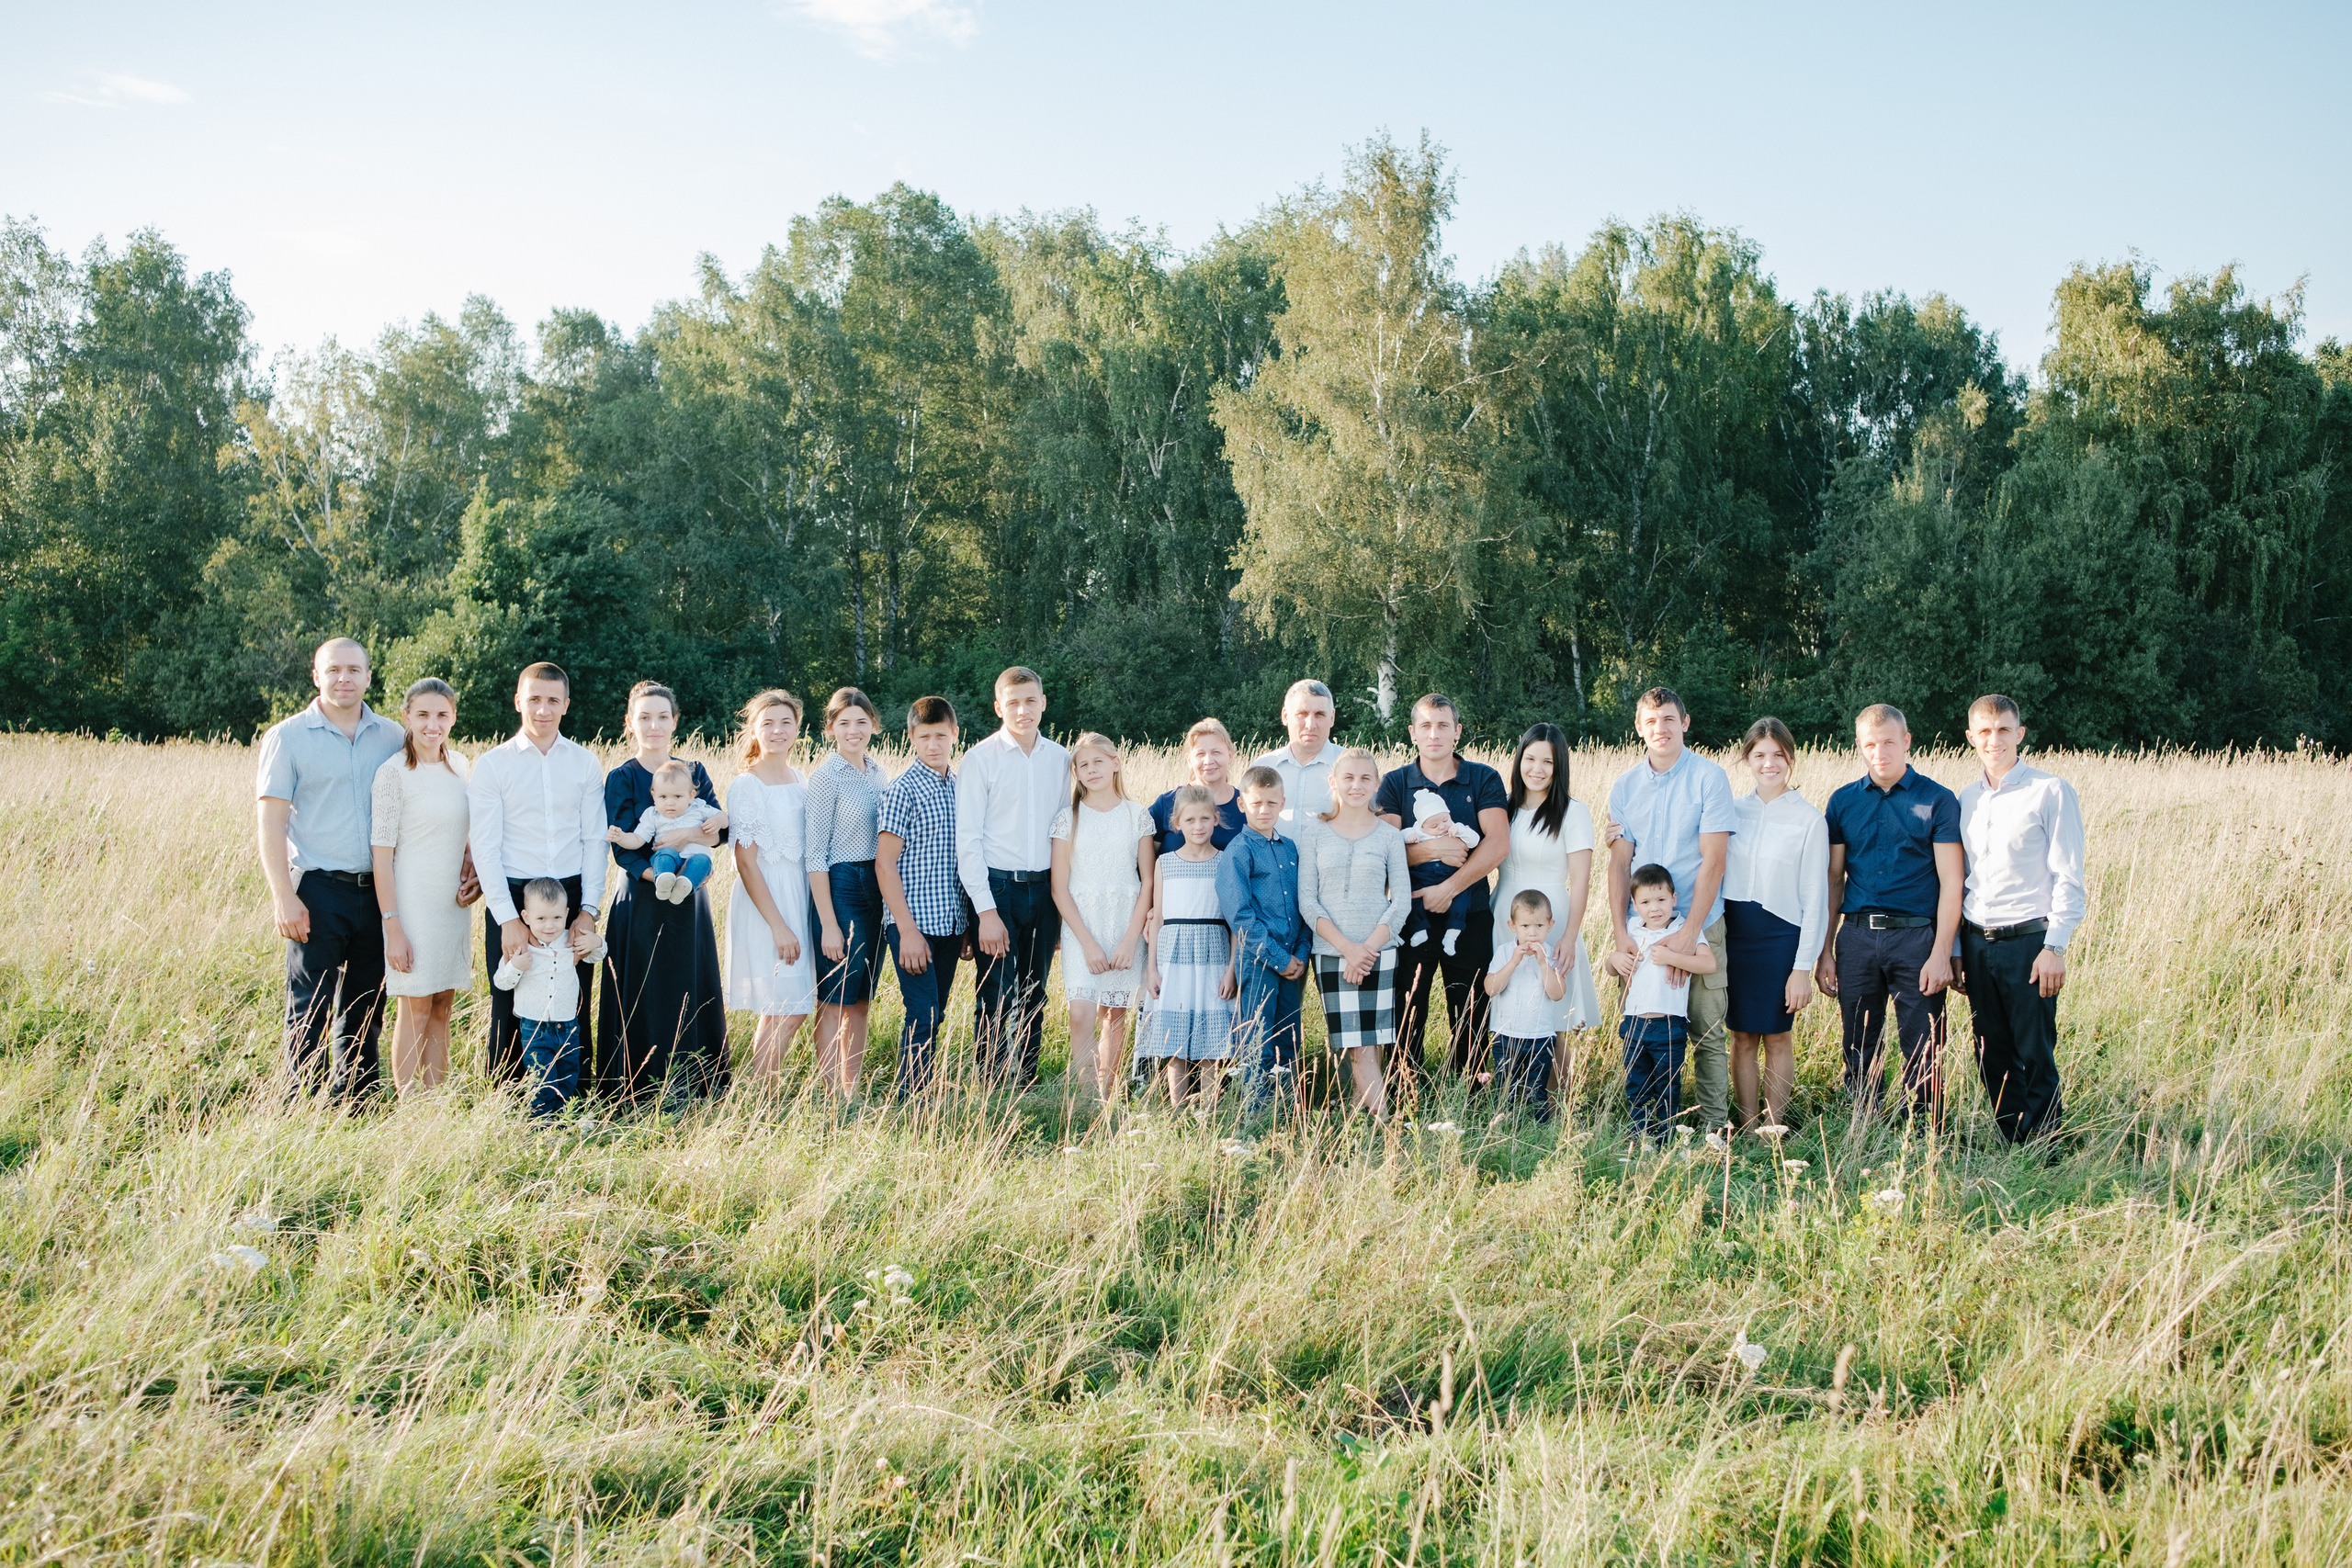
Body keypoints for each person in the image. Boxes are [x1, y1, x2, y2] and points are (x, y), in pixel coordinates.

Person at [255, 637, 405, 1101]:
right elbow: (271, 819)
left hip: (380, 890)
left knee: (366, 1005)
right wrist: (283, 895)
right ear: (316, 676)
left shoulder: (393, 735)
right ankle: (301, 1105)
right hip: (318, 889)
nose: (344, 678)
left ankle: (355, 1101)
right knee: (310, 1006)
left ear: (368, 676)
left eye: (354, 670)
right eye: (334, 669)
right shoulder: (288, 737)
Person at [1815, 703, 1963, 1126]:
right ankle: (1864, 1127)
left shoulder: (1937, 800)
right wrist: (1825, 950)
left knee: (1923, 1042)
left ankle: (1926, 1135)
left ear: (1907, 742)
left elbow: (1953, 882)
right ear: (1859, 746)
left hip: (1915, 938)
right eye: (1869, 744)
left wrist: (1941, 953)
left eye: (1888, 743)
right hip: (1858, 937)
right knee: (1859, 1041)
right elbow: (1833, 880)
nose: (1879, 752)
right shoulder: (1843, 802)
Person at [1602, 687, 1734, 1144]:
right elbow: (1620, 863)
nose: (1661, 728)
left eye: (1669, 719)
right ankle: (1650, 1127)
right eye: (1651, 721)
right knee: (1645, 1033)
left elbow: (1714, 861)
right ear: (1639, 727)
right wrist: (1621, 934)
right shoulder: (1625, 786)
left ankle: (1716, 1128)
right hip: (1640, 931)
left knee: (1706, 1031)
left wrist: (1687, 935)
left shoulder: (1709, 778)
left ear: (1685, 722)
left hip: (1699, 924)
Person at [1955, 694, 2085, 1145]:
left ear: (2020, 734)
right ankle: (2013, 1142)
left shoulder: (2049, 791)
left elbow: (2069, 876)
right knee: (1991, 1051)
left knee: (2034, 1051)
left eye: (2004, 730)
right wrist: (1956, 949)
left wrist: (2056, 947)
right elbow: (1961, 880)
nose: (1995, 740)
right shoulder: (1965, 799)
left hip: (2029, 941)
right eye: (1985, 732)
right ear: (1971, 738)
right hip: (1975, 941)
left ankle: (2046, 1149)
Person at [469, 662, 606, 1086]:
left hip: (570, 893)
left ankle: (572, 1096)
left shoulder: (584, 763)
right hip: (514, 895)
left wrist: (588, 910)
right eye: (534, 699)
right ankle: (509, 1102)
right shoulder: (493, 765)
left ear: (565, 704)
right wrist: (507, 918)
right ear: (518, 701)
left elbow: (594, 841)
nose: (542, 710)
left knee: (571, 998)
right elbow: (486, 847)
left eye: (552, 700)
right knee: (509, 997)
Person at [594, 681, 728, 1107]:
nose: (654, 725)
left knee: (687, 985)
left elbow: (718, 831)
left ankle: (692, 1088)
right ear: (630, 723)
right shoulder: (621, 777)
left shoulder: (695, 771)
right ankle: (634, 1092)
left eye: (663, 716)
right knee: (641, 990)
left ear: (675, 721)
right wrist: (656, 872)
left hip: (689, 898)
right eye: (645, 716)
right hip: (640, 899)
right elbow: (620, 845)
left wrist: (685, 836)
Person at [1374, 694, 1510, 1093]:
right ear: (1413, 733)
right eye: (1426, 726)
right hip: (1409, 915)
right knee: (1406, 1010)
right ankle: (1405, 1096)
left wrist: (1449, 888)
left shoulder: (1482, 777)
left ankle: (1469, 1097)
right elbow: (1385, 849)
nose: (1435, 734)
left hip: (1468, 914)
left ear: (1457, 732)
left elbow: (1498, 843)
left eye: (1443, 725)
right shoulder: (1394, 783)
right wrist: (1434, 849)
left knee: (1470, 1011)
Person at [956, 666, 1071, 1087]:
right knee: (994, 995)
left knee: (1034, 992)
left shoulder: (1060, 759)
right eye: (1014, 703)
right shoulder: (980, 759)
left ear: (1042, 702)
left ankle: (1025, 1079)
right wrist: (985, 912)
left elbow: (1064, 833)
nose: (1023, 710)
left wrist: (1061, 905)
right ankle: (989, 1083)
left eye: (1030, 701)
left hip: (1044, 891)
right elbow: (967, 840)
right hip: (997, 889)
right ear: (999, 707)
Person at [368, 676, 479, 1096]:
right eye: (423, 715)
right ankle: (408, 1107)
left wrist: (473, 869)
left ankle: (433, 1107)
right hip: (411, 904)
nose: (433, 724)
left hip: (451, 905)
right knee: (413, 1007)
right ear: (407, 717)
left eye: (442, 715)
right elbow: (382, 855)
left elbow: (462, 834)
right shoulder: (393, 774)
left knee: (442, 1007)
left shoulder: (462, 767)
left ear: (452, 718)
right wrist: (393, 925)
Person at [1722, 716, 1829, 1134]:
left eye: (1778, 755)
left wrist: (1802, 967)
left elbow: (1816, 900)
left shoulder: (1808, 820)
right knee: (1742, 1036)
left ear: (1791, 758)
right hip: (1735, 935)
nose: (1769, 763)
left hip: (1781, 939)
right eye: (1759, 755)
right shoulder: (1731, 810)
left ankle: (1773, 1132)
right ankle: (1748, 1128)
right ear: (1747, 758)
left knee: (1777, 1036)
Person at [1490, 724, 1601, 1091]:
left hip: (1554, 920)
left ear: (1559, 767)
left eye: (1547, 762)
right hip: (1505, 917)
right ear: (1519, 759)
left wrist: (1568, 937)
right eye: (1530, 758)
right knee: (1510, 1006)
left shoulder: (1572, 812)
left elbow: (1581, 880)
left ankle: (1557, 1105)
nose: (1536, 769)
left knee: (1554, 1015)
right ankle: (1512, 1099)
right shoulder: (1502, 807)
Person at [1047, 732, 1156, 1103]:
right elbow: (1060, 888)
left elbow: (1147, 882)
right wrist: (1087, 942)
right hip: (1083, 928)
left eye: (1098, 762)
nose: (1091, 770)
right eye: (1083, 765)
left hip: (1124, 925)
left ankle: (1107, 1097)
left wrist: (1129, 940)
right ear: (1075, 772)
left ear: (1115, 762)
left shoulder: (1137, 815)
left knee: (1115, 1015)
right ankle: (1085, 1097)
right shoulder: (1068, 819)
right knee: (1081, 1013)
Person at [1294, 747, 1401, 1116]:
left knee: (1370, 1046)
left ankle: (1372, 1125)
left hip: (1379, 952)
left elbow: (1401, 902)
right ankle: (1382, 1129)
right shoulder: (1315, 835)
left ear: (1377, 784)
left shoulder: (1389, 836)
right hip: (1331, 954)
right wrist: (1347, 950)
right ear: (1333, 782)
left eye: (1365, 778)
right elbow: (1308, 902)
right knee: (1355, 1046)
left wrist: (1366, 950)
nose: (1356, 786)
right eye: (1348, 778)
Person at [877, 696, 971, 1100]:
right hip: (912, 924)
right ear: (911, 738)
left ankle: (923, 1091)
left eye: (940, 735)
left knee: (937, 1012)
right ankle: (909, 1099)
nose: (933, 744)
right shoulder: (903, 790)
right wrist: (907, 931)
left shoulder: (961, 787)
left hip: (950, 922)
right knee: (923, 1012)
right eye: (923, 736)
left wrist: (966, 924)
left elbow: (963, 859)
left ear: (954, 734)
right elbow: (885, 864)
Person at [723, 690, 817, 1092]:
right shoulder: (747, 785)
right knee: (788, 1005)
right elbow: (746, 862)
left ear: (798, 728)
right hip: (768, 902)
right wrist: (778, 925)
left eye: (785, 723)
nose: (777, 731)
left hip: (800, 893)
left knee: (788, 1005)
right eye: (768, 723)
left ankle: (762, 1097)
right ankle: (759, 1094)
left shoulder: (800, 779)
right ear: (755, 730)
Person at [804, 687, 891, 1100]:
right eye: (844, 723)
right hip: (841, 886)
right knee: (835, 997)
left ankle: (850, 1090)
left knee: (860, 997)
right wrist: (828, 925)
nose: (854, 730)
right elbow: (815, 857)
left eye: (861, 722)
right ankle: (827, 1094)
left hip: (878, 887)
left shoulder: (878, 772)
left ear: (873, 725)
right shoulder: (825, 778)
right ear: (830, 729)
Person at [1217, 766, 1312, 1113]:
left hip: (1293, 959)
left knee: (1288, 1035)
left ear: (1282, 803)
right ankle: (1255, 1112)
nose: (1264, 809)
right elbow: (1240, 916)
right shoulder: (1238, 851)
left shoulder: (1291, 849)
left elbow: (1304, 903)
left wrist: (1300, 953)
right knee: (1256, 1036)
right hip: (1259, 960)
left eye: (1272, 802)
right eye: (1256, 802)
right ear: (1242, 804)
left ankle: (1285, 1110)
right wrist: (1279, 957)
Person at [1137, 784, 1238, 1109]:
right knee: (1174, 1038)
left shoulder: (1226, 862)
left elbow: (1235, 922)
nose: (1199, 826)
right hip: (1172, 953)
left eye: (1205, 819)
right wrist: (1151, 968)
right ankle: (1177, 1108)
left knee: (1211, 1037)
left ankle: (1209, 1107)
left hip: (1213, 951)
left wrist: (1232, 969)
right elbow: (1159, 918)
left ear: (1216, 820)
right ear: (1178, 823)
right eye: (1191, 820)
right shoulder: (1165, 862)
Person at [1619, 863, 1717, 1143]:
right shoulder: (1632, 928)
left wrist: (1671, 957)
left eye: (1661, 900)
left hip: (1669, 1024)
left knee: (1667, 1085)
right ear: (1635, 905)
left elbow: (1709, 964)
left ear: (1674, 899)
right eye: (1646, 902)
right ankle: (1638, 1134)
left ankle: (1665, 1138)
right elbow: (1612, 966)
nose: (1655, 908)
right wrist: (1615, 960)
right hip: (1634, 1022)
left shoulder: (1684, 930)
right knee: (1636, 1083)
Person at [492, 877, 606, 1120]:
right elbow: (501, 982)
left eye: (556, 917)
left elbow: (598, 955)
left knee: (568, 1077)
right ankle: (542, 1128)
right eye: (541, 919)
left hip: (568, 1025)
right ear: (525, 917)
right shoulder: (522, 948)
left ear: (566, 913)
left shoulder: (570, 941)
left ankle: (563, 1124)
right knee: (542, 1082)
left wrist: (595, 941)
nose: (549, 926)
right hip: (535, 1028)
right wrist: (515, 966)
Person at [1484, 889, 1568, 1122]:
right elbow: (1491, 988)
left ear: (1550, 925)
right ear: (1513, 926)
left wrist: (1543, 964)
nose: (1532, 933)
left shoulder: (1552, 955)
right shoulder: (1504, 952)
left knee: (1536, 1093)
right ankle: (1505, 1129)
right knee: (1506, 1091)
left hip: (1540, 1038)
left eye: (1539, 926)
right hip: (1506, 1035)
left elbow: (1558, 993)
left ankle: (1537, 1133)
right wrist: (1513, 962)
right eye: (1525, 927)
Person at [608, 761, 727, 904]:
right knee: (665, 854)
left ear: (691, 795)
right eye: (663, 797)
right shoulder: (653, 815)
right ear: (654, 795)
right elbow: (637, 839)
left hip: (694, 859)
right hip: (667, 860)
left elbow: (724, 818)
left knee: (703, 860)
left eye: (677, 797)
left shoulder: (699, 808)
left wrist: (718, 821)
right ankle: (664, 879)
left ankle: (684, 886)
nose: (670, 803)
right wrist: (621, 837)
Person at [1398, 788, 1483, 955]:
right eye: (1434, 826)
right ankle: (1419, 929)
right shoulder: (1417, 832)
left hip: (1450, 874)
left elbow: (1474, 841)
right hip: (1423, 876)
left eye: (1445, 820)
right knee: (1411, 897)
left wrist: (1461, 831)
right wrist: (1408, 837)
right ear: (1422, 825)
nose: (1442, 827)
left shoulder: (1456, 828)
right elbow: (1399, 835)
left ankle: (1452, 934)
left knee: (1463, 898)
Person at [1149, 717, 1248, 854]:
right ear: (1189, 760)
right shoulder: (1167, 804)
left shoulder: (1247, 807)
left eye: (1216, 752)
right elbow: (1143, 860)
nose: (1208, 761)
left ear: (1230, 756)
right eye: (1200, 754)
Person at [1252, 679, 1342, 828]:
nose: (1311, 725)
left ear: (1332, 717)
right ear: (1285, 716)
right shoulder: (1262, 767)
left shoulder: (1353, 769)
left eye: (1319, 714)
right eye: (1302, 714)